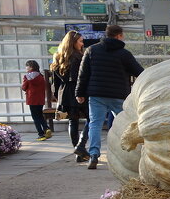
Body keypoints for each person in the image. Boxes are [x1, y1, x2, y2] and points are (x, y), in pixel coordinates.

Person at [76, 23, 143, 170]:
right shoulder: (124, 54)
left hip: (97, 95)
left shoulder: (92, 50)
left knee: (95, 124)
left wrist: (79, 93)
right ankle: (126, 153)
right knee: (126, 124)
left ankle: (94, 154)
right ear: (119, 35)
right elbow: (139, 71)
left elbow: (83, 74)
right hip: (118, 95)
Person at [51, 30, 89, 161]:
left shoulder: (58, 56)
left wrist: (57, 95)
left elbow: (55, 80)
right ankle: (80, 146)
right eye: (80, 41)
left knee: (73, 122)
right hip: (78, 91)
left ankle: (78, 151)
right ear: (73, 42)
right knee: (92, 119)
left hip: (64, 92)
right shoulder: (78, 57)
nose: (82, 44)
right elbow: (78, 77)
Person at [22, 60, 52, 140]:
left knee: (35, 117)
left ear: (31, 67)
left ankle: (41, 134)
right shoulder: (41, 76)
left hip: (32, 99)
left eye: (27, 66)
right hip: (40, 99)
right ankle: (46, 128)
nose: (26, 68)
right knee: (40, 115)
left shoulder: (27, 77)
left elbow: (24, 88)